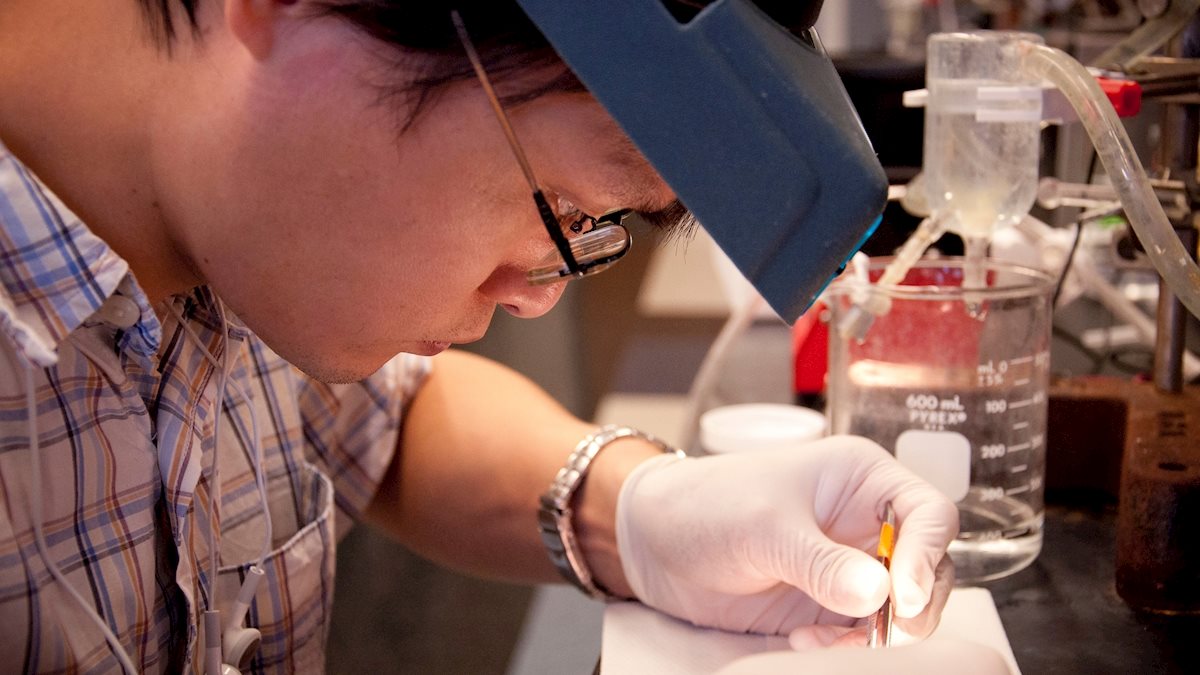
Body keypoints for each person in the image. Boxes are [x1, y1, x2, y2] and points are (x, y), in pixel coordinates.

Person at [0, 1, 959, 672]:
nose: (534, 298)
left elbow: (386, 415)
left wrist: (650, 515)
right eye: (559, 206)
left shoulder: (255, 229)